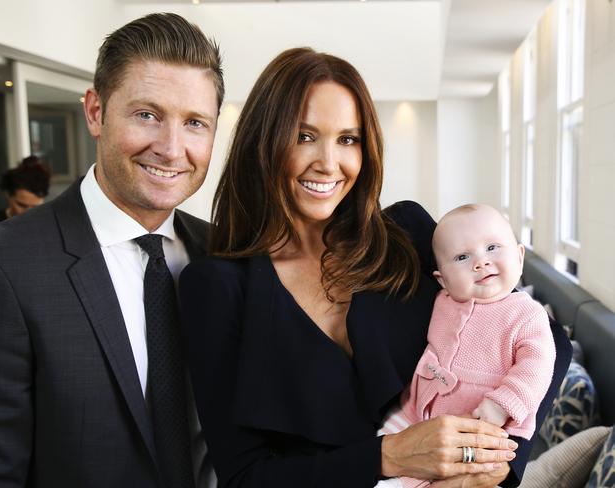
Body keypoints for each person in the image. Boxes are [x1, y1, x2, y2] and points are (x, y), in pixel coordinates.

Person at [178, 47, 571, 488]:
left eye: (348, 139)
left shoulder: (406, 234)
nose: (329, 163)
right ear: (263, 141)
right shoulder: (218, 288)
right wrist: (391, 456)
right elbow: (244, 477)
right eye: (304, 136)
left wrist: (500, 465)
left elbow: (545, 338)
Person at [0, 13, 223, 488]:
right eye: (147, 115)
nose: (171, 148)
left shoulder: (225, 254)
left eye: (195, 123)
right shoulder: (0, 265)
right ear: (95, 112)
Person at [377, 203, 556, 488]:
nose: (480, 262)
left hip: (486, 430)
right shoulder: (442, 302)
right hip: (418, 412)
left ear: (519, 258)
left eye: (493, 247)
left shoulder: (526, 314)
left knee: (464, 474)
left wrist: (502, 405)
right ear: (442, 280)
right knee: (384, 444)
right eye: (462, 256)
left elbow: (538, 364)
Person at [0, 155, 51, 235]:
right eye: (22, 205)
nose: (28, 213)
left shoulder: (48, 225)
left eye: (35, 207)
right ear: (8, 195)